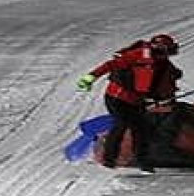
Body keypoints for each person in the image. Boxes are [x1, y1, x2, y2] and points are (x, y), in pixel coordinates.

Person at [76, 33, 183, 172]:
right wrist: (91, 76)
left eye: (166, 52)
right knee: (121, 124)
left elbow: (165, 88)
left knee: (141, 129)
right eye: (159, 51)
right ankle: (109, 159)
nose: (162, 55)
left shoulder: (165, 67)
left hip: (136, 102)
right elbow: (111, 64)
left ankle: (143, 161)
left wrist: (167, 102)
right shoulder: (138, 55)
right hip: (117, 98)